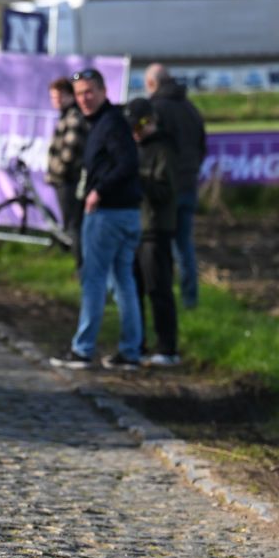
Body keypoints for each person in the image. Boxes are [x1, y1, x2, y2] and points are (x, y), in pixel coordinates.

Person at [49, 68, 143, 371]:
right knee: (123, 281)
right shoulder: (102, 122)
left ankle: (82, 349)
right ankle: (130, 351)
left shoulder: (110, 123)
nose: (84, 99)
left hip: (108, 214)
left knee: (93, 281)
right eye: (79, 94)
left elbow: (127, 163)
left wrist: (98, 192)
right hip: (124, 213)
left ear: (103, 91)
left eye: (90, 92)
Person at [124, 98, 180, 367]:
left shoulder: (163, 149)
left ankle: (167, 348)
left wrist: (137, 178)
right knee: (134, 290)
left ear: (149, 122)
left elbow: (165, 192)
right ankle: (139, 344)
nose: (135, 134)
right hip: (137, 228)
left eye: (138, 127)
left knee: (158, 289)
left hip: (156, 228)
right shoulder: (138, 148)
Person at [145, 63, 206, 310]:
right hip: (189, 184)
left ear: (152, 83)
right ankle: (190, 301)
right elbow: (202, 146)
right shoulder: (191, 109)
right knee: (184, 245)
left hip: (165, 189)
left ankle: (163, 299)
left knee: (159, 246)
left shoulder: (156, 110)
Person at [45, 77, 89, 269]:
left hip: (69, 181)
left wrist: (57, 172)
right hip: (65, 180)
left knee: (74, 227)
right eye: (53, 97)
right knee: (73, 226)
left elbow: (69, 154)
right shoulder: (66, 116)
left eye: (59, 96)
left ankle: (82, 269)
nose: (56, 101)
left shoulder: (73, 117)